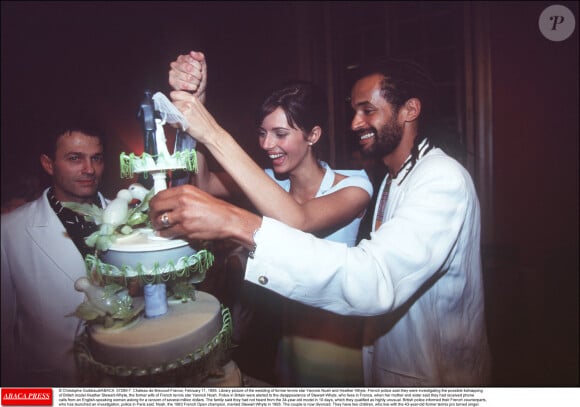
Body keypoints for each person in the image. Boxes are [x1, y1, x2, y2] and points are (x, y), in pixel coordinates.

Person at [150, 57, 492, 386]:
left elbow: (373, 277)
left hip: (433, 378)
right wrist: (194, 114)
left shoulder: (440, 178)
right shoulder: (395, 178)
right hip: (344, 353)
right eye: (354, 111)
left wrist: (214, 141)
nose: (355, 123)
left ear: (410, 110)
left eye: (367, 110)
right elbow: (204, 181)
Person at [168, 51, 373, 385]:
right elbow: (202, 182)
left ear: (313, 135)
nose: (266, 144)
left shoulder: (354, 186)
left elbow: (298, 222)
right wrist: (198, 106)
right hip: (287, 338)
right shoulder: (270, 181)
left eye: (280, 133)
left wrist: (213, 133)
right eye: (262, 133)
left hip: (337, 342)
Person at [1, 117, 108, 387]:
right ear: (48, 164)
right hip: (55, 386)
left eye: (96, 158)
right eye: (75, 158)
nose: (89, 169)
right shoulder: (10, 231)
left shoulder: (130, 217)